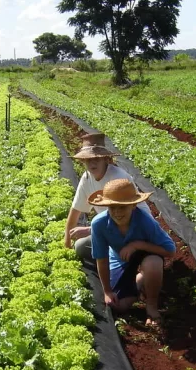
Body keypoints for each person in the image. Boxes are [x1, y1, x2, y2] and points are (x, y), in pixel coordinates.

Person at [88, 178, 175, 327]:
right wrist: (107, 291)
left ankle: (151, 306)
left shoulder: (145, 221)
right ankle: (140, 280)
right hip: (120, 259)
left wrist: (137, 244)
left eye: (122, 207)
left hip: (147, 254)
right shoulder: (99, 224)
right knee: (119, 305)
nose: (116, 212)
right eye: (112, 207)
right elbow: (101, 259)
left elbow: (170, 250)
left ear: (133, 205)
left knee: (153, 263)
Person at [65, 132, 151, 260]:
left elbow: (126, 217)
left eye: (96, 159)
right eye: (88, 160)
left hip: (136, 229)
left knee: (82, 245)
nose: (92, 164)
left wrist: (91, 230)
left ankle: (128, 261)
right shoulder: (87, 178)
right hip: (111, 229)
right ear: (82, 161)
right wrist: (66, 243)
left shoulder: (117, 178)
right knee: (81, 247)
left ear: (106, 159)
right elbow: (75, 210)